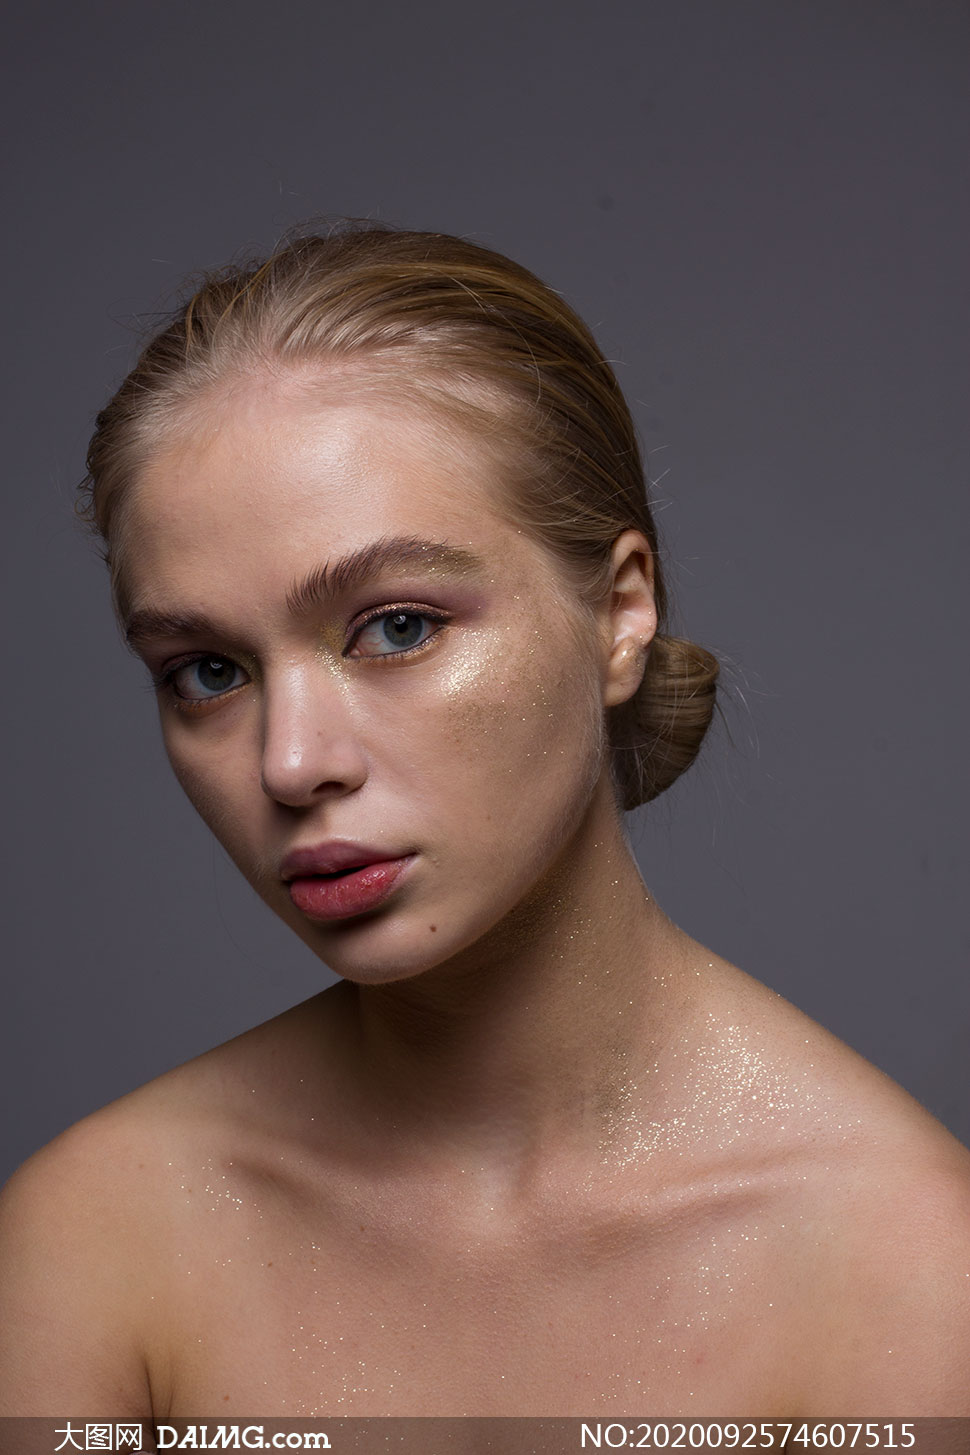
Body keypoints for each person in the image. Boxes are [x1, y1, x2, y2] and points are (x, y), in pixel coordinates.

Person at [0, 223, 968, 1422]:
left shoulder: (904, 1274)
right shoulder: (92, 1245)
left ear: (620, 613)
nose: (290, 763)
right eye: (207, 671)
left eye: (396, 627)